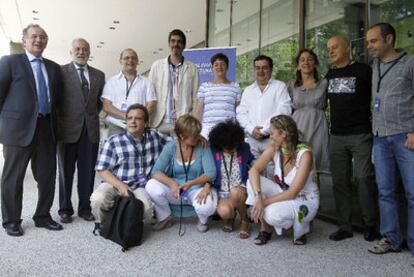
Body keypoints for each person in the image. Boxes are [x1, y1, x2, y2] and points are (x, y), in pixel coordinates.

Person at [0, 24, 63, 236]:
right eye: (34, 36)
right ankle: (11, 220)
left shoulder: (54, 68)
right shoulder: (10, 62)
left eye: (43, 37)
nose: (39, 40)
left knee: (47, 176)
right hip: (17, 130)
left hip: (46, 128)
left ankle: (43, 216)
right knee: (13, 177)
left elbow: (58, 101)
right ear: (24, 40)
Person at [366, 23, 414, 257]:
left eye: (373, 41)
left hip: (406, 137)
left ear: (389, 39)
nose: (369, 46)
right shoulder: (374, 65)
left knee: (413, 192)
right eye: (368, 42)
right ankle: (391, 238)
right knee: (385, 191)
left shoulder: (410, 62)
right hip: (380, 137)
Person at [325, 35, 379, 242]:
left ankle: (371, 224)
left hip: (360, 134)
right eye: (329, 48)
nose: (331, 51)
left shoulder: (364, 70)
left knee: (364, 178)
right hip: (336, 135)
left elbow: (378, 96)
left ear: (347, 48)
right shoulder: (329, 74)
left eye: (335, 47)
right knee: (339, 181)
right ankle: (345, 226)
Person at [90, 104, 169, 227]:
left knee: (147, 208)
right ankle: (105, 223)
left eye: (138, 118)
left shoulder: (154, 136)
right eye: (130, 118)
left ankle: (128, 223)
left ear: (146, 123)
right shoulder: (113, 141)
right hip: (115, 183)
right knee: (98, 199)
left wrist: (196, 137)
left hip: (139, 186)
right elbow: (102, 169)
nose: (132, 121)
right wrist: (121, 186)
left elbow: (176, 143)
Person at [247, 115, 319, 245]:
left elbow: (293, 193)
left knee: (270, 214)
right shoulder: (274, 149)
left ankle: (301, 227)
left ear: (284, 134)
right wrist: (258, 197)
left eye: (272, 133)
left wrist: (263, 202)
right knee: (251, 182)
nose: (270, 137)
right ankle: (265, 229)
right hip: (283, 191)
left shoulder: (305, 154)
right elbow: (253, 171)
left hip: (304, 199)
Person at [57, 38, 105, 224]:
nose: (81, 52)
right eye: (77, 49)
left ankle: (84, 208)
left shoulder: (98, 75)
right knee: (65, 171)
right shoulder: (60, 72)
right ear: (71, 52)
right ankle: (65, 209)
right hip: (67, 131)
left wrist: (89, 117)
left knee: (87, 173)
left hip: (90, 131)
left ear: (89, 52)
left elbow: (99, 103)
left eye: (85, 49)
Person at [146, 115, 217, 232]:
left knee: (207, 206)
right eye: (194, 135)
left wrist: (192, 183)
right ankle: (165, 217)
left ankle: (202, 220)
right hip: (176, 190)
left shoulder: (203, 146)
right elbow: (156, 172)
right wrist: (172, 183)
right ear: (182, 136)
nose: (198, 137)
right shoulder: (171, 147)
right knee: (151, 185)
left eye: (198, 133)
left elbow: (211, 173)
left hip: (197, 188)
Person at [237, 55, 292, 177]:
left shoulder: (280, 87)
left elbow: (284, 110)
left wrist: (266, 130)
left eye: (264, 68)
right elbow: (241, 113)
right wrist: (251, 129)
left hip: (272, 138)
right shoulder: (248, 90)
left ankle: (274, 196)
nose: (260, 71)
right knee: (254, 173)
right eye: (257, 68)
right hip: (252, 140)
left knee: (275, 173)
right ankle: (258, 196)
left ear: (271, 70)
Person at [149, 29, 199, 136]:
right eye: (173, 41)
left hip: (182, 123)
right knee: (160, 153)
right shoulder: (156, 66)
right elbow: (150, 95)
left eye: (179, 42)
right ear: (169, 43)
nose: (175, 44)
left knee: (181, 152)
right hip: (159, 122)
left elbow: (196, 97)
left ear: (184, 45)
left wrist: (192, 119)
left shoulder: (192, 68)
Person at [288, 49, 329, 180]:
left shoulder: (324, 83)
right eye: (302, 60)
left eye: (310, 59)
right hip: (298, 128)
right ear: (298, 64)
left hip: (317, 127)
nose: (306, 62)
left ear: (315, 63)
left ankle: (315, 200)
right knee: (297, 167)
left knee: (315, 169)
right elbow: (285, 109)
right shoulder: (291, 85)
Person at [209, 120, 254, 239]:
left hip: (240, 188)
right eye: (229, 147)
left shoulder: (244, 147)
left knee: (236, 192)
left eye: (235, 146)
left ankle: (245, 220)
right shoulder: (213, 150)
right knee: (225, 212)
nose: (233, 149)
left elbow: (252, 161)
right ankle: (231, 217)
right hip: (222, 190)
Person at [102, 48, 157, 136]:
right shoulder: (112, 82)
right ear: (120, 61)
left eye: (133, 58)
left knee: (138, 149)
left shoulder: (146, 82)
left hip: (139, 126)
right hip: (117, 126)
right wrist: (126, 116)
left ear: (137, 61)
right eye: (126, 58)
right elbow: (106, 106)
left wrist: (137, 118)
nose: (130, 60)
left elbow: (152, 104)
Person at [195, 53, 241, 138]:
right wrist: (196, 132)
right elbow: (198, 112)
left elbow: (239, 111)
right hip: (207, 131)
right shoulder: (204, 86)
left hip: (229, 131)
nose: (219, 67)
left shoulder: (235, 86)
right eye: (216, 65)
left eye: (222, 64)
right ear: (212, 68)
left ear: (227, 68)